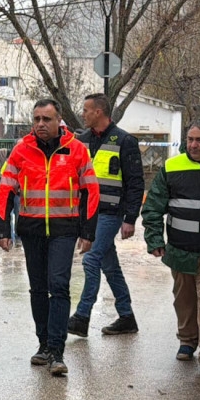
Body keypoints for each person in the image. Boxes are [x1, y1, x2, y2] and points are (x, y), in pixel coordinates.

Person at [0, 99, 99, 376]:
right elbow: (5, 189)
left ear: (59, 121)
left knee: (59, 285)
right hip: (32, 229)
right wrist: (3, 230)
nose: (41, 124)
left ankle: (57, 350)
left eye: (46, 119)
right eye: (37, 119)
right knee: (38, 289)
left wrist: (88, 232)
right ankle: (43, 344)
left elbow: (90, 192)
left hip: (64, 229)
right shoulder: (21, 150)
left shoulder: (76, 150)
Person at [142, 119, 200, 376]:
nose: (193, 144)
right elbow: (153, 207)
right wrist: (154, 239)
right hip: (180, 251)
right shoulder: (172, 166)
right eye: (190, 139)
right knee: (185, 300)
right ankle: (188, 341)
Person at [68, 93, 144, 337]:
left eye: (86, 110)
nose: (83, 114)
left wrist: (130, 218)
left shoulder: (125, 141)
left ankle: (81, 317)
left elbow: (135, 183)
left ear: (99, 112)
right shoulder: (82, 140)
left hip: (110, 214)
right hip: (88, 214)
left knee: (90, 260)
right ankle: (126, 317)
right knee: (110, 266)